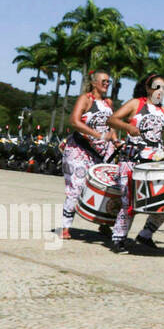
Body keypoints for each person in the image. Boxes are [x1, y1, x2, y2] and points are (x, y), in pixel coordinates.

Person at [107, 72, 164, 252]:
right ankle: (119, 238)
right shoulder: (136, 103)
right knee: (129, 202)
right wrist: (128, 127)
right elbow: (112, 119)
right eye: (157, 87)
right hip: (132, 160)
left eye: (163, 88)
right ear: (148, 88)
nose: (160, 91)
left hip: (154, 163)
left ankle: (146, 234)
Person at [59, 71, 118, 239]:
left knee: (107, 188)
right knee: (76, 187)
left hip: (102, 153)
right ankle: (65, 227)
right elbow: (74, 121)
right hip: (79, 149)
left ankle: (104, 223)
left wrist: (115, 140)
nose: (107, 84)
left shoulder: (108, 103)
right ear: (94, 83)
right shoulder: (86, 99)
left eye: (109, 81)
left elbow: (111, 126)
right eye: (104, 81)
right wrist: (97, 135)